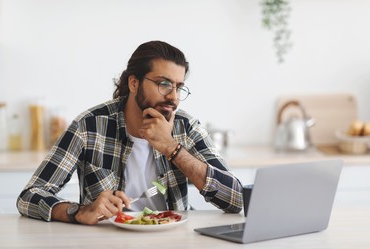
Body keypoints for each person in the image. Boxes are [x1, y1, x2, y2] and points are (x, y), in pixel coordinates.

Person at [16, 40, 243, 225]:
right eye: (164, 84)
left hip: (174, 245)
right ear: (134, 83)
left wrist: (172, 148)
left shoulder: (186, 127)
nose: (173, 97)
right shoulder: (90, 126)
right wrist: (78, 212)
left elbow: (236, 199)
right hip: (107, 244)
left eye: (178, 87)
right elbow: (29, 196)